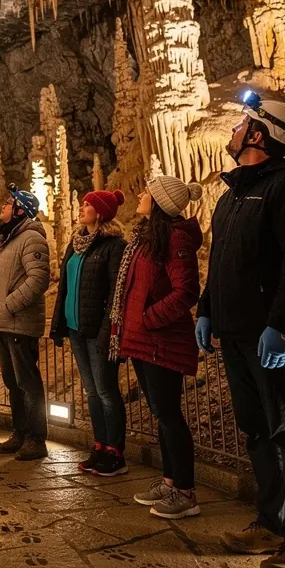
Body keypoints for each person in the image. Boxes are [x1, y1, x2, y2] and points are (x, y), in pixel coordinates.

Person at [197, 92, 285, 568]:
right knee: (257, 431)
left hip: (275, 338)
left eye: (241, 123)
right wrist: (207, 310)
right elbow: (221, 265)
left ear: (258, 135)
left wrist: (284, 327)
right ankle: (272, 522)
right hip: (235, 332)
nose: (232, 130)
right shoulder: (233, 197)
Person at [109, 175, 203, 519]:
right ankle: (169, 481)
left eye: (147, 191)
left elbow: (186, 291)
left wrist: (149, 318)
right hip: (143, 341)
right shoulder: (148, 239)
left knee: (169, 416)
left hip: (161, 341)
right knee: (162, 416)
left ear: (161, 202)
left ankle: (186, 491)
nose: (140, 194)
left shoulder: (175, 238)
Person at [49, 189, 127, 476]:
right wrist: (58, 325)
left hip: (98, 329)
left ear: (101, 212)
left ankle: (115, 452)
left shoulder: (113, 246)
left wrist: (109, 330)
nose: (81, 208)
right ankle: (99, 445)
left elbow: (116, 294)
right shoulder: (75, 243)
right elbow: (65, 289)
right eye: (81, 203)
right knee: (92, 391)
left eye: (87, 205)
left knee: (106, 390)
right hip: (76, 326)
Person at [0, 184, 51, 461]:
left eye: (8, 203)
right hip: (5, 323)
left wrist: (10, 304)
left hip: (18, 322)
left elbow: (38, 279)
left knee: (27, 381)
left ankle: (37, 438)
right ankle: (20, 433)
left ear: (20, 210)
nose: (2, 207)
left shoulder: (31, 239)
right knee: (13, 381)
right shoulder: (9, 240)